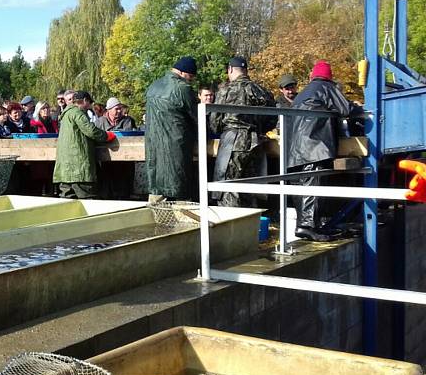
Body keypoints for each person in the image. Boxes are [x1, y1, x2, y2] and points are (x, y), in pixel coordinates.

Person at [287, 60, 353, 242]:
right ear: (328, 76)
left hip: (295, 148)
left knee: (301, 187)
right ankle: (307, 227)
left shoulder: (303, 93)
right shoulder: (325, 87)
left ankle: (308, 225)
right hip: (313, 146)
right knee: (311, 186)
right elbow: (345, 108)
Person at [209, 56, 277, 207]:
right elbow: (273, 118)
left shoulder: (225, 90)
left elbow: (215, 121)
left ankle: (230, 225)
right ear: (246, 71)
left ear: (230, 70)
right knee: (250, 186)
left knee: (226, 187)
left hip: (232, 140)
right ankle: (251, 224)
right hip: (256, 141)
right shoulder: (261, 91)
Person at [144, 56, 198, 202]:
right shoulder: (183, 88)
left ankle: (157, 221)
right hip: (176, 147)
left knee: (156, 195)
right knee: (179, 192)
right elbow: (196, 117)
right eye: (191, 76)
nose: (191, 80)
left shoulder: (153, 86)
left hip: (153, 146)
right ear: (183, 72)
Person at [53, 90, 115, 199]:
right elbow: (90, 130)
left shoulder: (66, 114)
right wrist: (106, 136)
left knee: (67, 203)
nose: (90, 106)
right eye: (90, 103)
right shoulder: (77, 113)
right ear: (85, 100)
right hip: (79, 169)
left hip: (64, 171)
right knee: (88, 199)